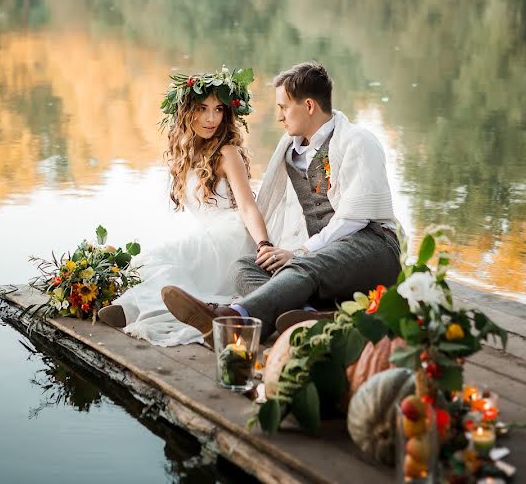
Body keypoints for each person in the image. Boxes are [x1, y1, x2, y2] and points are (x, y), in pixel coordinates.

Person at [161, 61, 402, 342]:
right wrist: (273, 249)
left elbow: (356, 218)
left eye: (283, 107)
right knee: (244, 267)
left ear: (309, 106)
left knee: (300, 266)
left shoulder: (357, 142)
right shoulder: (289, 150)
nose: (279, 117)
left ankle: (232, 320)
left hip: (375, 248)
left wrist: (300, 251)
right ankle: (306, 314)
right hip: (323, 259)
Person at [97, 67, 272, 347]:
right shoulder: (185, 154)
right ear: (186, 112)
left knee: (157, 258)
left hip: (233, 235)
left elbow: (248, 207)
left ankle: (152, 310)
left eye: (218, 110)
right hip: (211, 235)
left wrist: (263, 244)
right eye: (203, 108)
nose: (211, 118)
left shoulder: (227, 152)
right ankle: (133, 308)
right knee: (156, 260)